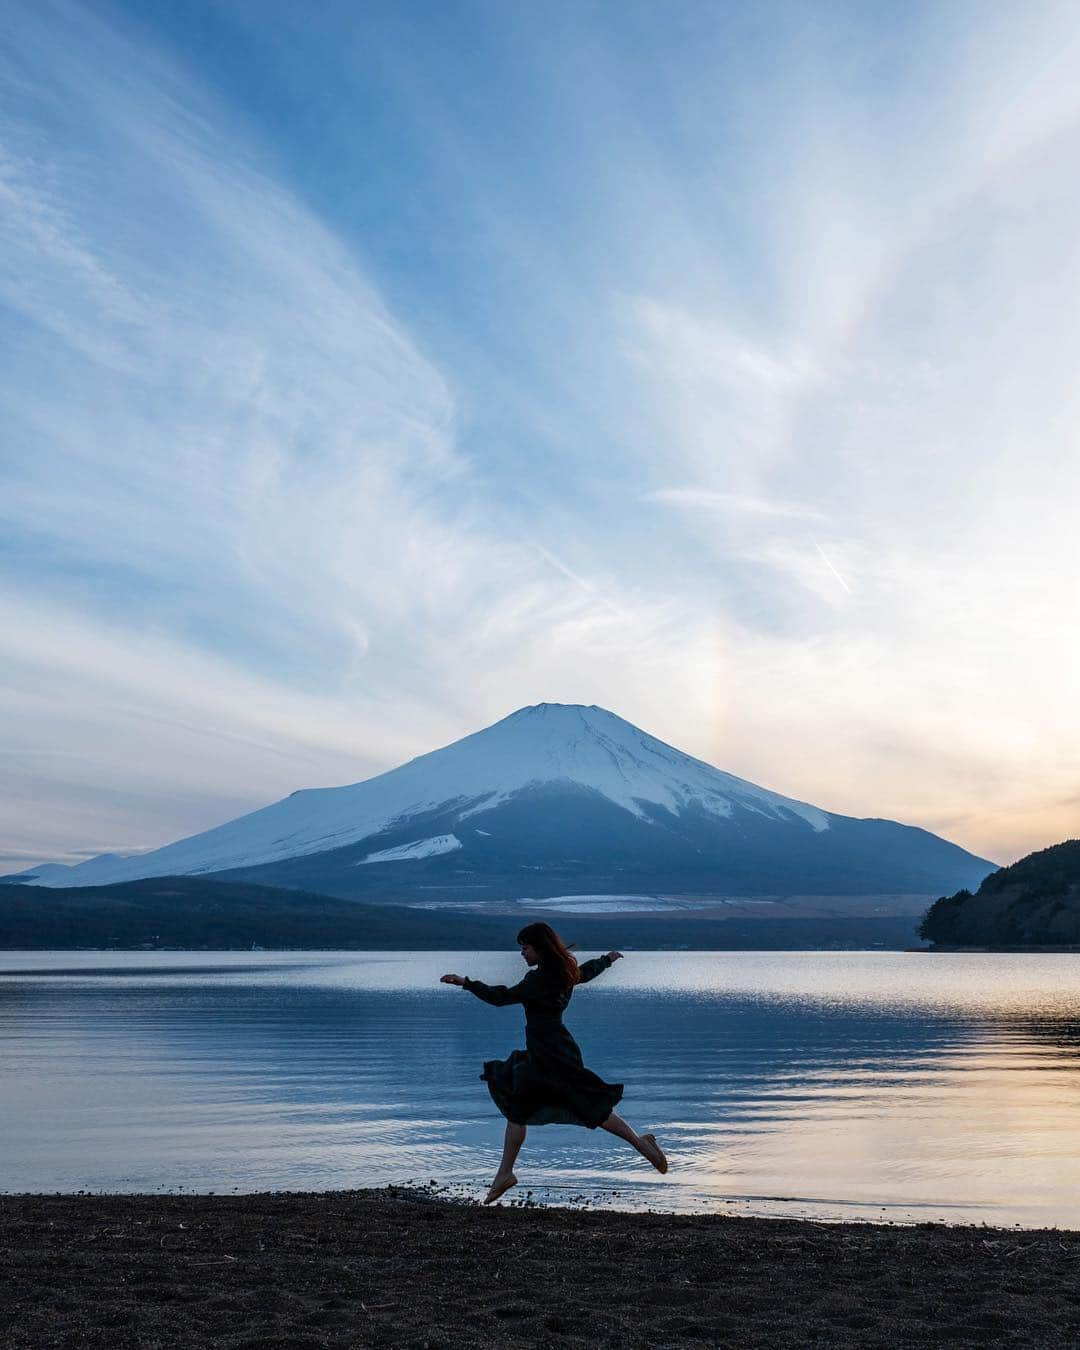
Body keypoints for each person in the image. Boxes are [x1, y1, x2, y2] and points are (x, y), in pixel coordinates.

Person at [440, 921, 668, 1204]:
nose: (522, 954)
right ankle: (504, 1174)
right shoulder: (564, 972)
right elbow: (586, 973)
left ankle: (642, 1144)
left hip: (551, 1056)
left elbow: (501, 998)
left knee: (587, 1107)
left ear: (540, 948)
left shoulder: (537, 980)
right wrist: (607, 960)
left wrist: (467, 983)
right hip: (551, 1050)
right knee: (520, 1107)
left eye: (526, 948)